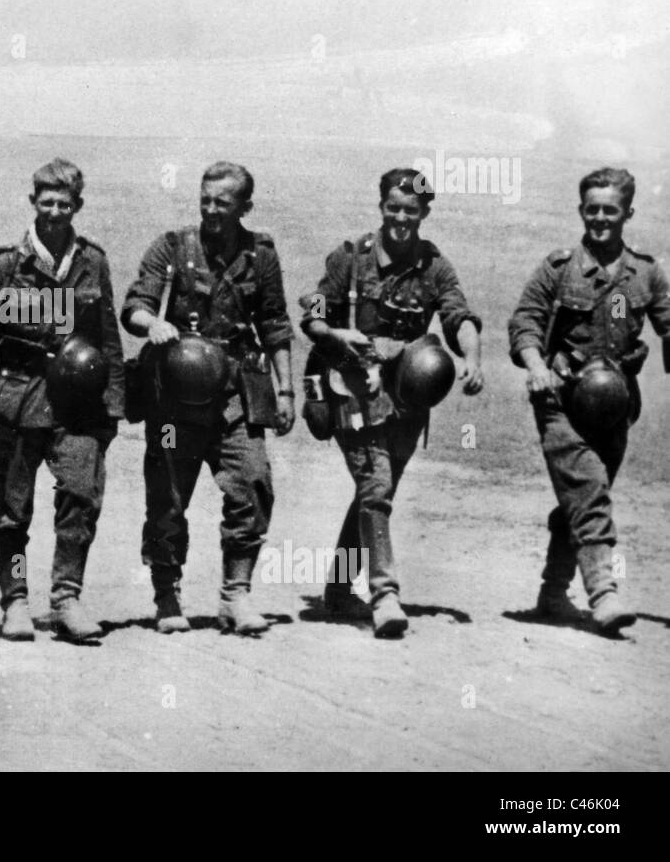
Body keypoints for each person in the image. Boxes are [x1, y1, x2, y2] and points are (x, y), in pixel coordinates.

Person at [299, 168, 484, 637]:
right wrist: (335, 331)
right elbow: (316, 309)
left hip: (405, 399)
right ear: (381, 206)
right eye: (393, 208)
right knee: (376, 485)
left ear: (424, 213)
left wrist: (473, 360)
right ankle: (385, 595)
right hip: (350, 389)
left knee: (373, 493)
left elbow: (458, 314)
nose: (401, 218)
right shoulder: (351, 259)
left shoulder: (433, 265)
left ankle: (339, 591)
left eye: (412, 210)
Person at [0, 158, 124, 643]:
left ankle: (67, 599)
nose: (54, 212)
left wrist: (111, 412)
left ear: (77, 207)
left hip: (79, 406)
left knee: (81, 498)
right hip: (17, 401)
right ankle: (16, 601)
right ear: (33, 203)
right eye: (46, 202)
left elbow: (109, 340)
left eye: (64, 204)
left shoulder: (93, 262)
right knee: (11, 510)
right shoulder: (6, 264)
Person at [121, 162, 296, 635]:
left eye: (223, 202)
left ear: (245, 206)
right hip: (176, 396)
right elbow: (135, 304)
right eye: (206, 200)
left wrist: (285, 390)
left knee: (253, 484)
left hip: (236, 396)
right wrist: (152, 324)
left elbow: (276, 325)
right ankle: (166, 594)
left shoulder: (261, 255)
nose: (212, 209)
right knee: (168, 499)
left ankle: (235, 596)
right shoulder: (173, 247)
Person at [508, 168, 670, 634]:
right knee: (590, 493)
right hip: (561, 402)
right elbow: (524, 324)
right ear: (581, 211)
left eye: (610, 210)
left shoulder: (647, 273)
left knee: (581, 498)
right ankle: (604, 593)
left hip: (616, 407)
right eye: (592, 209)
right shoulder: (558, 269)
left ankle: (553, 592)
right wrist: (536, 367)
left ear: (627, 214)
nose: (599, 218)